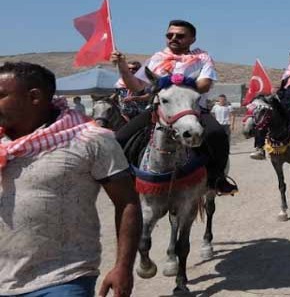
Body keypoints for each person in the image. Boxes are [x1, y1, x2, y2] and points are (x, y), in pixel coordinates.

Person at [0, 62, 141, 297]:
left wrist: (123, 267)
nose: (174, 38)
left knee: (213, 132)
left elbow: (127, 202)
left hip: (61, 279)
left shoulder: (91, 140)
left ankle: (216, 176)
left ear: (34, 97)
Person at [110, 19, 238, 195]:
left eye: (180, 35)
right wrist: (122, 67)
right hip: (159, 111)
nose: (173, 38)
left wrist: (175, 80)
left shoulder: (202, 58)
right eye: (170, 35)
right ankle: (123, 180)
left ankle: (217, 179)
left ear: (192, 39)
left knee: (217, 135)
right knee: (120, 138)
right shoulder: (156, 59)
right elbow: (137, 87)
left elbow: (204, 85)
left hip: (193, 111)